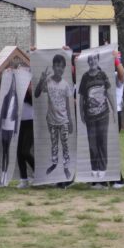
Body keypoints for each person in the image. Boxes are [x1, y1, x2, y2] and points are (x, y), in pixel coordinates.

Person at [34, 53, 74, 181]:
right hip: (51, 120)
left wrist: (70, 121)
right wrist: (41, 80)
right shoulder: (48, 81)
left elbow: (68, 105)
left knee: (65, 144)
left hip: (63, 121)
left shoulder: (66, 85)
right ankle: (54, 163)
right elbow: (36, 94)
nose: (59, 69)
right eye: (57, 66)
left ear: (64, 68)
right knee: (54, 144)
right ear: (53, 66)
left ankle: (66, 166)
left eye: (62, 66)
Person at [78, 52, 114, 183]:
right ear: (88, 61)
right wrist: (81, 112)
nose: (92, 61)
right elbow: (82, 97)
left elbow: (108, 93)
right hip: (90, 117)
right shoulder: (85, 77)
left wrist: (114, 110)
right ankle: (94, 169)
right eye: (90, 59)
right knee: (92, 144)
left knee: (102, 142)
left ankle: (103, 170)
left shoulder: (103, 75)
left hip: (104, 115)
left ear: (98, 60)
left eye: (95, 58)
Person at [0, 66, 19, 186]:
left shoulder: (17, 100)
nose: (14, 86)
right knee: (4, 150)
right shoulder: (6, 97)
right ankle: (3, 173)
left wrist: (15, 131)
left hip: (11, 128)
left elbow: (17, 115)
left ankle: (6, 175)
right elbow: (0, 115)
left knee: (8, 151)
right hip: (4, 127)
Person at [111, 50, 124, 189]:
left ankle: (119, 178)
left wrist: (117, 61)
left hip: (115, 114)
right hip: (102, 115)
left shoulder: (117, 76)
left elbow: (122, 74)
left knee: (112, 147)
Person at [16, 80, 35, 188]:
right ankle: (24, 180)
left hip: (30, 122)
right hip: (20, 123)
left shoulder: (30, 92)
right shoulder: (19, 92)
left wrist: (29, 86)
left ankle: (36, 172)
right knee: (19, 153)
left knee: (25, 151)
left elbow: (34, 96)